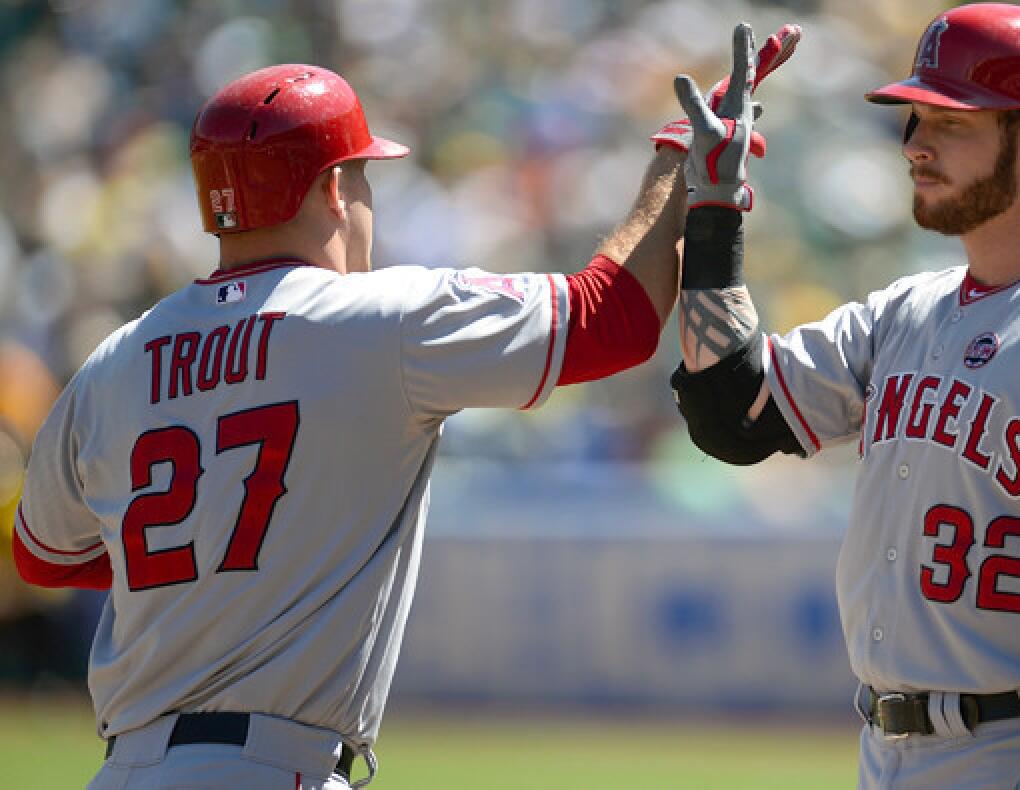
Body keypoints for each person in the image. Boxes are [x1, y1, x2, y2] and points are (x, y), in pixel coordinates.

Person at [6, 25, 806, 788]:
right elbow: (614, 320)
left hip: (124, 765)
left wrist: (213, 566)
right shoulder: (378, 323)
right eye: (361, 176)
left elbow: (44, 555)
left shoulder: (113, 359)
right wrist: (676, 153)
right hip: (270, 765)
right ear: (329, 187)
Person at [669, 4, 1020, 789]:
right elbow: (731, 414)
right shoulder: (907, 311)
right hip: (886, 748)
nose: (915, 144)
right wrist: (714, 214)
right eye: (915, 119)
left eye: (952, 122)